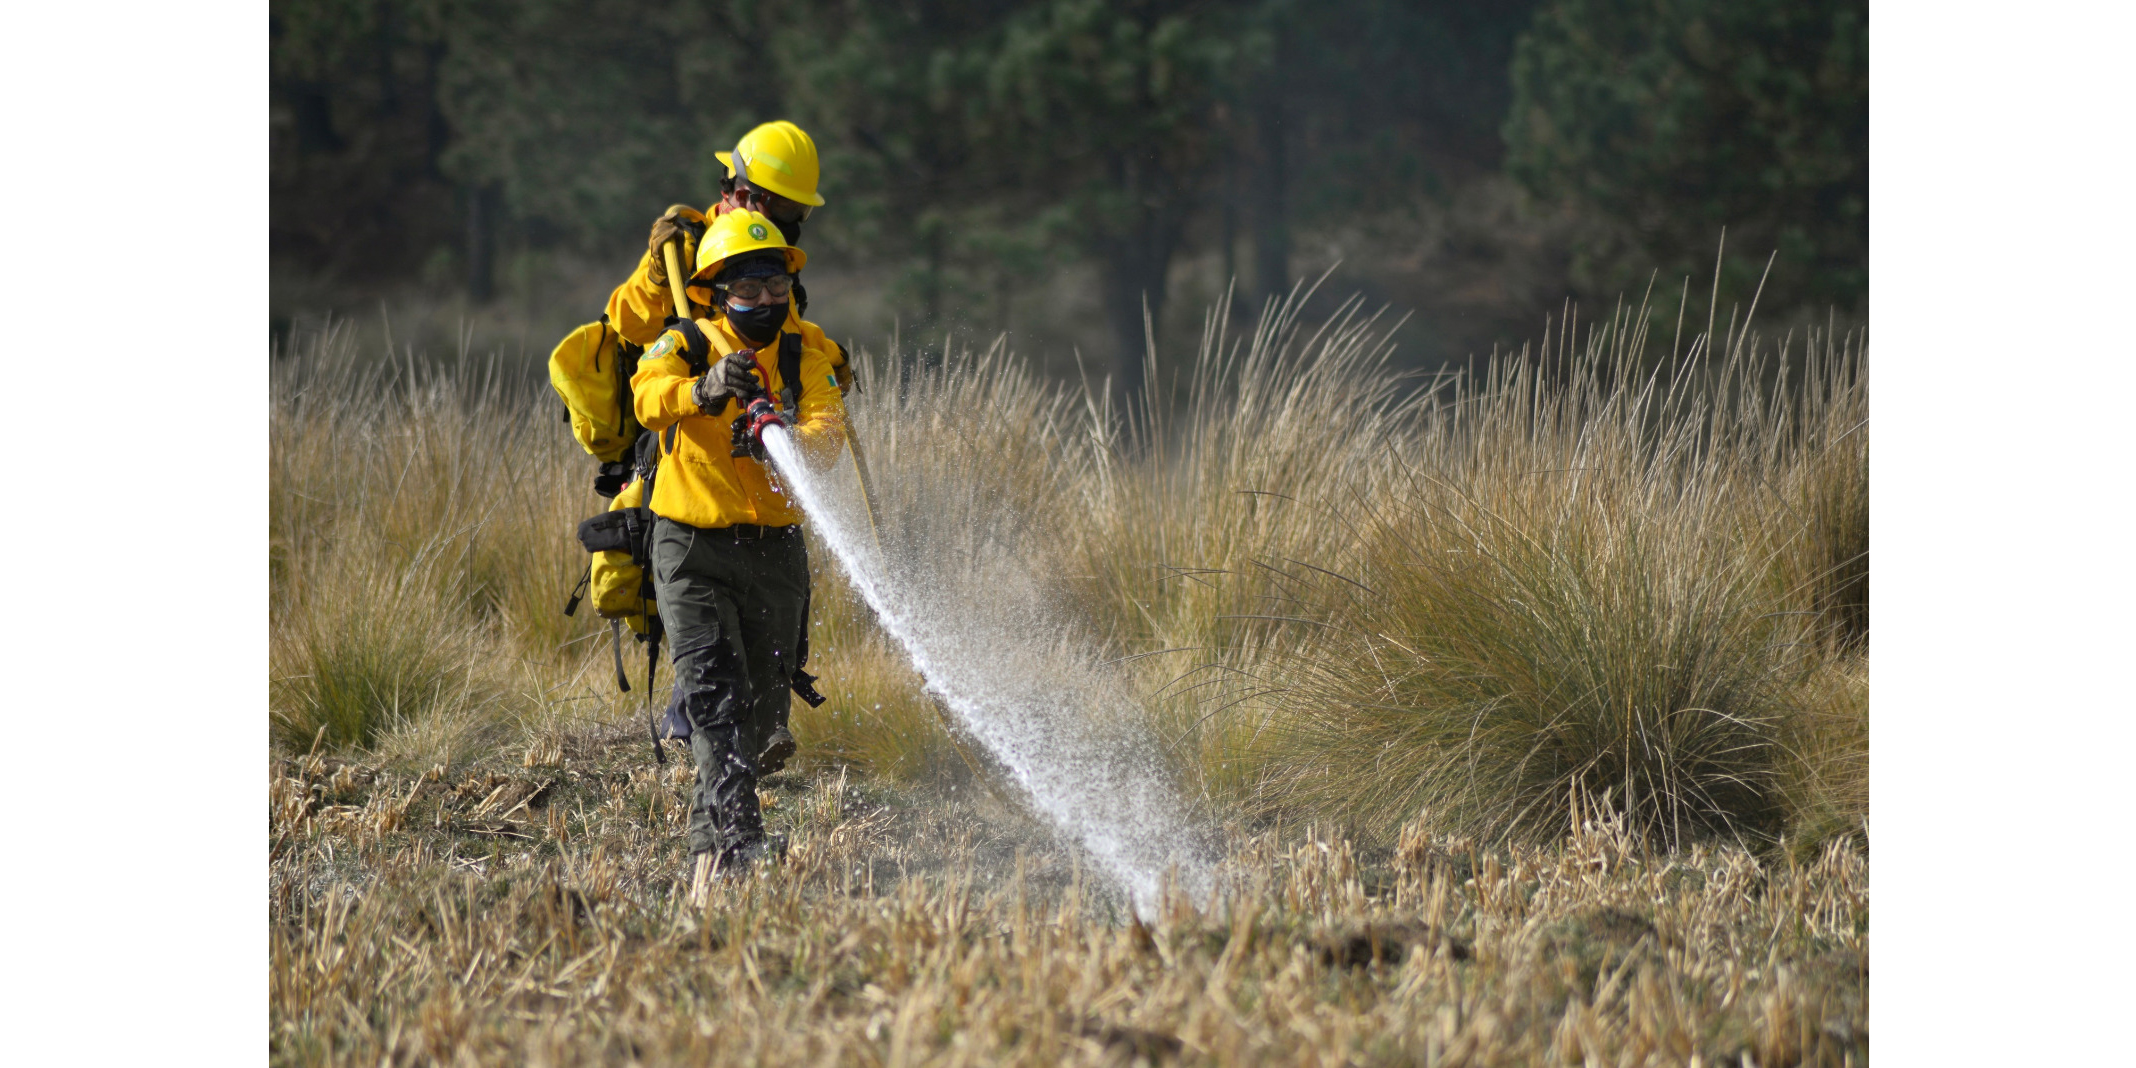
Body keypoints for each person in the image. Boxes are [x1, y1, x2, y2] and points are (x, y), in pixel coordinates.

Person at [630, 209, 847, 890]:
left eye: (775, 283)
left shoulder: (805, 355)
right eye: (746, 288)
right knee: (712, 698)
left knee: (755, 716)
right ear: (714, 291)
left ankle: (708, 874)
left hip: (774, 552)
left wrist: (785, 434)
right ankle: (741, 845)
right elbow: (646, 396)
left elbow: (828, 435)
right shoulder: (685, 342)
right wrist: (707, 389)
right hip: (691, 545)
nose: (763, 300)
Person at [605, 120, 830, 346]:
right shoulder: (684, 250)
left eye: (800, 211)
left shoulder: (774, 257)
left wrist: (830, 357)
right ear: (742, 196)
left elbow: (784, 340)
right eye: (783, 209)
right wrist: (656, 280)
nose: (791, 224)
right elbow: (630, 327)